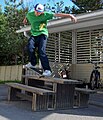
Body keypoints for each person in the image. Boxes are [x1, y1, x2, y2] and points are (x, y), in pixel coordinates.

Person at [23, 3, 77, 76]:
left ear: (42, 11)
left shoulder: (46, 14)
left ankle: (47, 70)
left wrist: (70, 15)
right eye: (37, 12)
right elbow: (27, 16)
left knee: (41, 51)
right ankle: (32, 63)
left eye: (40, 12)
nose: (38, 13)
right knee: (29, 47)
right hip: (34, 35)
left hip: (42, 34)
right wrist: (25, 19)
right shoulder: (30, 14)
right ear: (34, 10)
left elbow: (57, 14)